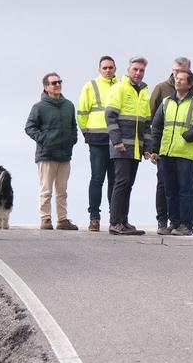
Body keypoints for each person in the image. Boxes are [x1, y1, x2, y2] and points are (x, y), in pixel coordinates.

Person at [147, 70, 193, 235]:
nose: (178, 81)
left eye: (182, 79)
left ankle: (186, 225)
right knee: (170, 190)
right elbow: (157, 126)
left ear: (190, 84)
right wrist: (154, 149)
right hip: (166, 152)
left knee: (185, 190)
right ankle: (173, 223)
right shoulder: (166, 102)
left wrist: (186, 137)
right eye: (176, 79)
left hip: (184, 153)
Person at [104, 56, 152, 235]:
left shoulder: (143, 94)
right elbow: (110, 116)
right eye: (135, 69)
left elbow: (147, 123)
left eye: (141, 70)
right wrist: (117, 141)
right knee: (121, 183)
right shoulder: (119, 89)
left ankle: (123, 221)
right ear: (128, 70)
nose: (138, 73)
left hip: (136, 148)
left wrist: (148, 147)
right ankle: (115, 223)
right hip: (121, 147)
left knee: (128, 185)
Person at [26, 72, 80, 230]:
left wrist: (73, 139)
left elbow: (73, 126)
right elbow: (29, 127)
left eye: (59, 82)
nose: (57, 85)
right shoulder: (39, 107)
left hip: (65, 155)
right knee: (46, 189)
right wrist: (45, 140)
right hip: (46, 155)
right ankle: (45, 219)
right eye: (54, 83)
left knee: (62, 190)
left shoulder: (69, 105)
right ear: (46, 87)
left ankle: (62, 220)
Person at [76, 56, 119, 231]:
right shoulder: (90, 86)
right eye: (105, 68)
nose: (108, 70)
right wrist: (87, 133)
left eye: (111, 67)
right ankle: (94, 217)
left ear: (115, 69)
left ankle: (115, 217)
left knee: (115, 181)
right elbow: (81, 113)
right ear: (99, 69)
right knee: (97, 178)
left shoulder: (121, 85)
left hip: (116, 140)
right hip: (97, 140)